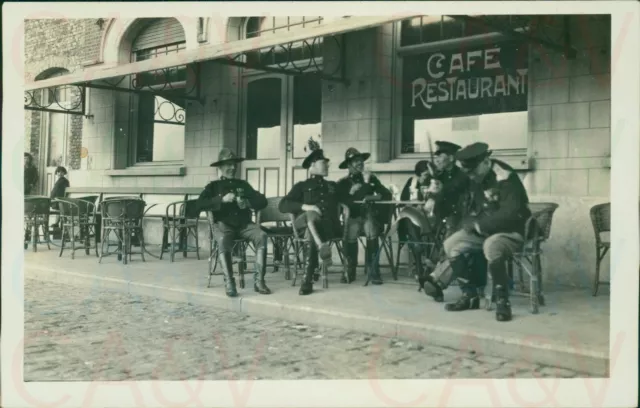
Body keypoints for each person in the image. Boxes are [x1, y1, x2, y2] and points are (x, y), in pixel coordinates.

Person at [426, 142, 531, 322]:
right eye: (468, 172)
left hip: (511, 230)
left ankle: (502, 302)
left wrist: (479, 225)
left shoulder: (504, 177)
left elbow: (512, 212)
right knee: (451, 244)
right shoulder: (473, 175)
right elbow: (454, 190)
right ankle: (470, 296)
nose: (471, 176)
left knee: (491, 246)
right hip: (484, 229)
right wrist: (436, 192)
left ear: (485, 161)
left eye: (474, 171)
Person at [197, 148, 270, 298]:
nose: (232, 168)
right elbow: (198, 204)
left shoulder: (243, 185)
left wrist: (247, 203)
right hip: (223, 225)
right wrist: (221, 200)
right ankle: (229, 282)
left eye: (233, 164)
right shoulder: (213, 186)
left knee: (261, 235)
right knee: (223, 239)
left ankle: (259, 281)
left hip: (244, 225)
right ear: (220, 167)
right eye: (227, 165)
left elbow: (262, 201)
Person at [279, 147, 350, 295]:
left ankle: (307, 280)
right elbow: (283, 205)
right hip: (306, 226)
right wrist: (305, 206)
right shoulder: (302, 186)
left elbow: (348, 200)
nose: (327, 165)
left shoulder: (333, 186)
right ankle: (318, 252)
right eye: (324, 162)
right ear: (313, 165)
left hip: (329, 228)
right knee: (310, 217)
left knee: (310, 231)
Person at [336, 148, 392, 285]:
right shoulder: (343, 183)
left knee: (370, 225)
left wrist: (372, 196)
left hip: (369, 216)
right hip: (353, 217)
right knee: (351, 229)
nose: (360, 163)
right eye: (356, 161)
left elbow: (386, 194)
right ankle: (351, 270)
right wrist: (366, 186)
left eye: (361, 160)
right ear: (348, 165)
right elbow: (348, 202)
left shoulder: (372, 178)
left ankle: (373, 270)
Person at [432, 141, 468, 238]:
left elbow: (455, 190)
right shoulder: (438, 176)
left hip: (455, 216)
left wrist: (441, 189)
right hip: (437, 216)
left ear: (451, 158)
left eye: (440, 157)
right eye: (436, 157)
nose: (437, 160)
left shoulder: (462, 175)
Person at [49, 166, 70, 235]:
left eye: (62, 172)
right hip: (56, 199)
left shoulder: (64, 181)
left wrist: (60, 198)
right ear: (56, 173)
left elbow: (65, 191)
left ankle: (57, 223)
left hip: (60, 199)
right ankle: (56, 223)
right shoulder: (59, 180)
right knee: (58, 210)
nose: (60, 173)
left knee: (60, 210)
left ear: (64, 173)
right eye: (58, 172)